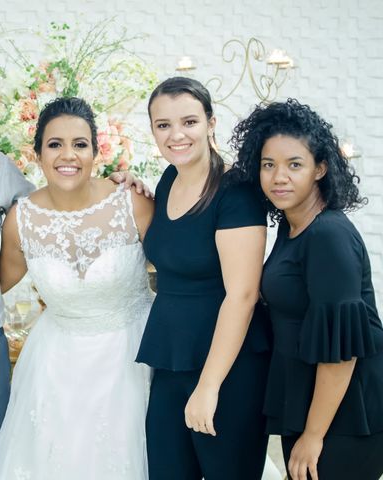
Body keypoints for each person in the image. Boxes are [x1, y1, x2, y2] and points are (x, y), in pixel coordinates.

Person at [0, 96, 155, 479]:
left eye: (80, 144)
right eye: (55, 144)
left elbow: (182, 268)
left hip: (131, 357)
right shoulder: (22, 219)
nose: (68, 155)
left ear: (96, 151)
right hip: (55, 367)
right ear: (38, 153)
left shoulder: (133, 204)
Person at [229, 99, 383, 480]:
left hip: (347, 411)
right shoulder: (291, 225)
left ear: (321, 168)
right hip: (309, 397)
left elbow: (342, 353)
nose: (279, 176)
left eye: (294, 164)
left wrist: (314, 436)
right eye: (269, 165)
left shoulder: (328, 234)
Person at [136, 77, 272, 479]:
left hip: (227, 367)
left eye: (189, 121)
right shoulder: (167, 180)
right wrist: (130, 187)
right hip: (171, 356)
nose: (176, 134)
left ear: (211, 123)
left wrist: (209, 386)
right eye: (163, 125)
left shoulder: (236, 189)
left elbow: (243, 295)